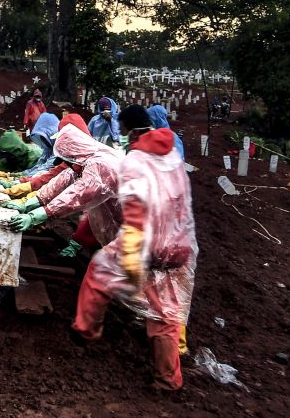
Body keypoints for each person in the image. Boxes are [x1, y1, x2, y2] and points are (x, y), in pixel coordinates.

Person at [70, 105, 198, 390]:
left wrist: (130, 259)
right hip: (179, 243)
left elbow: (137, 213)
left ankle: (85, 331)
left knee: (99, 270)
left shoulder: (136, 160)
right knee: (164, 311)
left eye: (124, 131)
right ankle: (168, 379)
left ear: (130, 130)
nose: (124, 137)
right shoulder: (172, 153)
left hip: (148, 240)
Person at [2, 123, 123, 259]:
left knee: (129, 265)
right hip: (116, 220)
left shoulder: (100, 164)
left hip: (130, 221)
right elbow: (61, 181)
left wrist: (36, 215)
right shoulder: (84, 160)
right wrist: (30, 203)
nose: (67, 163)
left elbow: (77, 194)